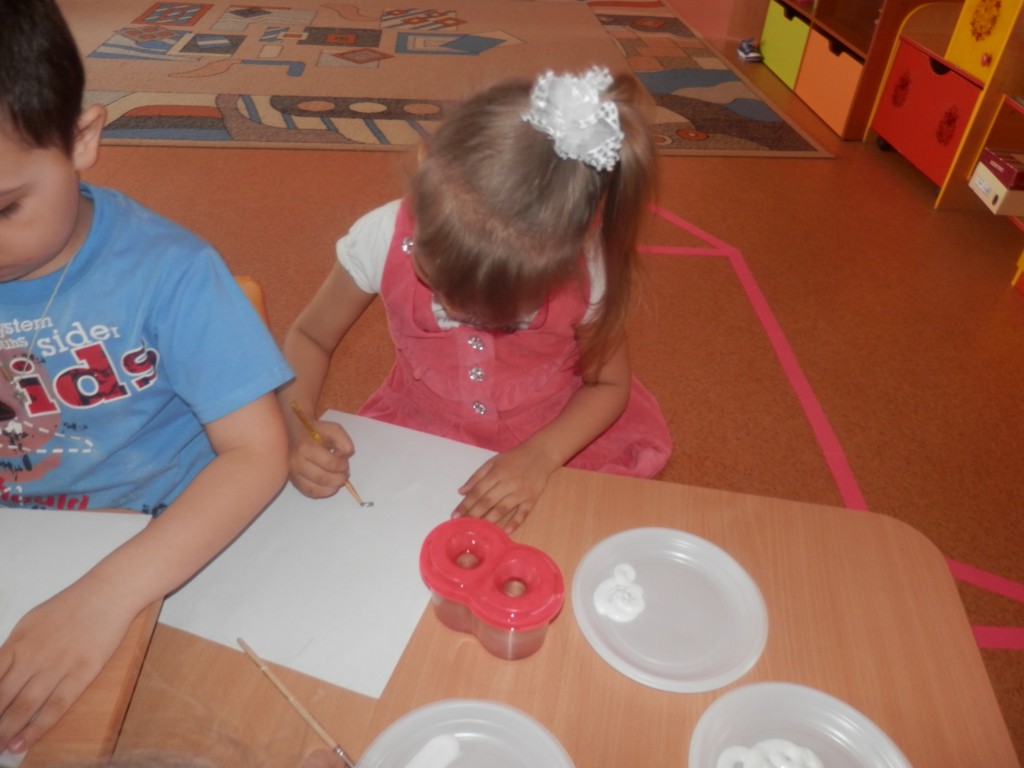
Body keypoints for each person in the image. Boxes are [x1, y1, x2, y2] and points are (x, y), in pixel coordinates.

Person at [0, 0, 293, 756]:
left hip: (163, 549)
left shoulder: (171, 273)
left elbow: (257, 453)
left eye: (4, 209)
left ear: (81, 139)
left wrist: (107, 596)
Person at [281, 66, 671, 532]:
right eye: (434, 280)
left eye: (499, 316)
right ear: (424, 170)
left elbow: (608, 385)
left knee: (569, 536)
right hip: (421, 426)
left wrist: (541, 456)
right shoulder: (381, 237)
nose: (453, 311)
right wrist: (297, 427)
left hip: (555, 435)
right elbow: (310, 337)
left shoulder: (585, 267)